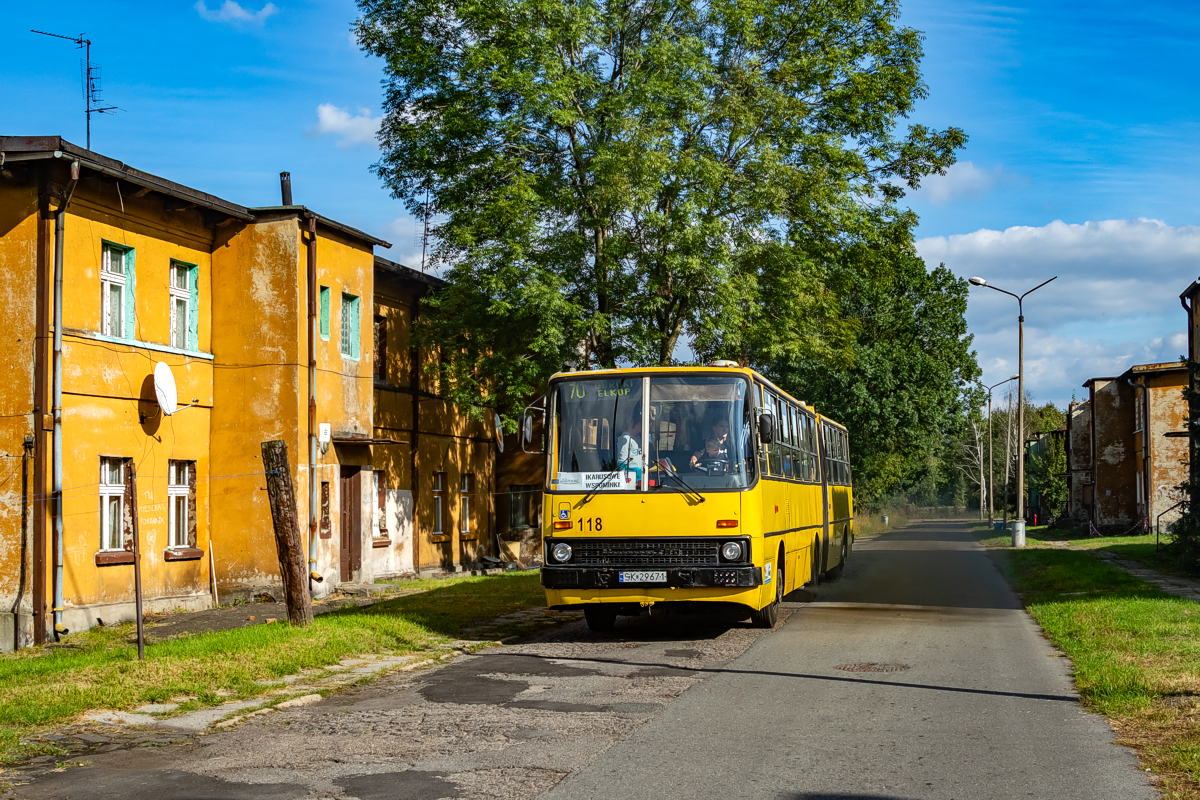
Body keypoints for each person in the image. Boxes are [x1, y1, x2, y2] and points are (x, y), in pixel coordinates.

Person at [616, 410, 645, 486]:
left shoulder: (638, 439)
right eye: (643, 424)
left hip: (641, 478)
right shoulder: (625, 440)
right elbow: (622, 462)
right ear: (637, 424)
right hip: (630, 480)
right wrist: (621, 482)